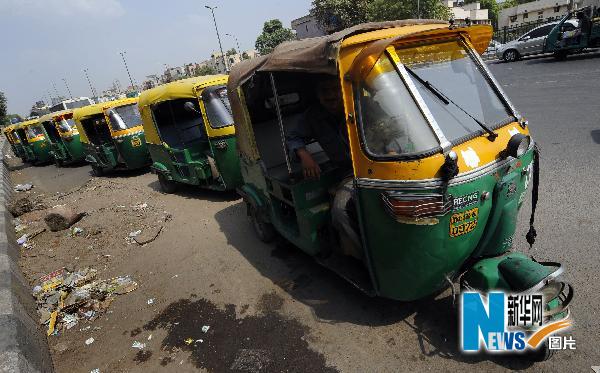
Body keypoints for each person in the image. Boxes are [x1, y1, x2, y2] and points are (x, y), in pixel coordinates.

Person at [286, 77, 362, 260]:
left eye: (334, 89)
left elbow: (390, 129)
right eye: (324, 91)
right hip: (349, 173)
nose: (330, 95)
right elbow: (293, 138)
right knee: (340, 211)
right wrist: (304, 155)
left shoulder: (358, 104)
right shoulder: (313, 116)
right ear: (317, 95)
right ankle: (362, 259)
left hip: (377, 165)